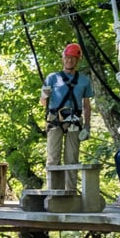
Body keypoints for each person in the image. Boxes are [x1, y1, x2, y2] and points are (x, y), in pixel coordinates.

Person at [39, 42, 93, 191]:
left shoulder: (84, 81)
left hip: (75, 120)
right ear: (63, 58)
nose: (69, 61)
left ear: (78, 60)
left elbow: (87, 105)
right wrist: (45, 93)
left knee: (72, 158)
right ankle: (53, 192)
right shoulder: (52, 78)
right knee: (53, 157)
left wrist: (87, 126)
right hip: (55, 119)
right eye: (67, 58)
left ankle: (70, 191)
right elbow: (43, 102)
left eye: (73, 58)